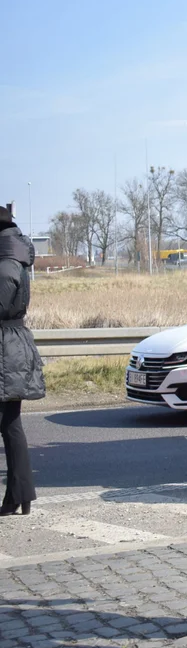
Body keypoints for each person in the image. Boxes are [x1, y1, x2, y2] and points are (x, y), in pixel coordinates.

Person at [0, 203, 44, 517]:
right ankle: (21, 494)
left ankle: (19, 494)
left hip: (4, 348)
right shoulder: (16, 260)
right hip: (11, 345)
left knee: (10, 424)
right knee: (10, 424)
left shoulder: (5, 265)